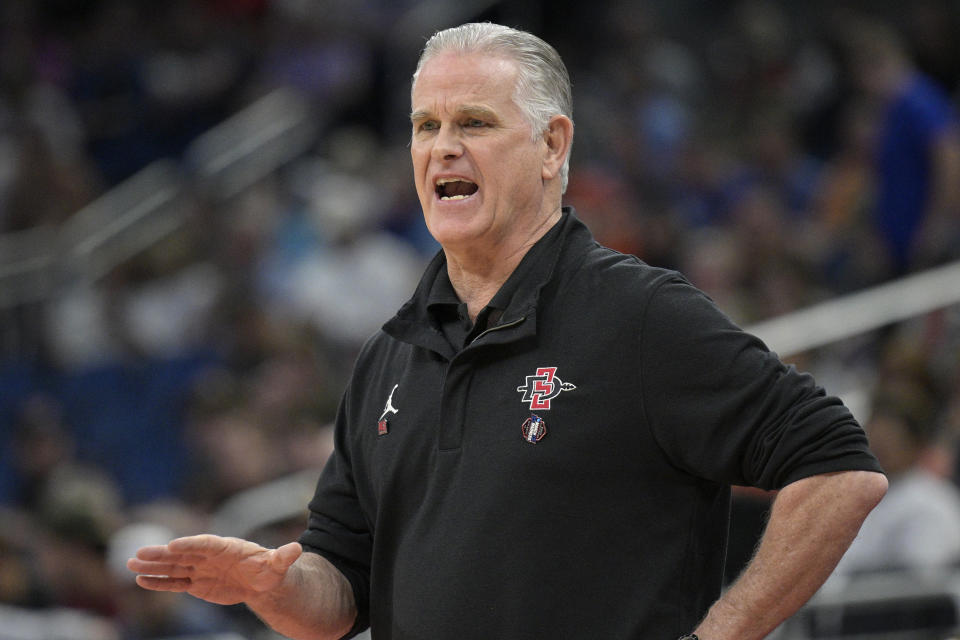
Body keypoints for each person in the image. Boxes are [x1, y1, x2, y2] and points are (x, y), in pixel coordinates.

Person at [128, 23, 887, 640]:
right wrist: (276, 584)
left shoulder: (640, 316)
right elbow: (340, 590)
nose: (442, 147)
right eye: (426, 125)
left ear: (553, 146)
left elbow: (840, 467)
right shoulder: (390, 352)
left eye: (474, 123)